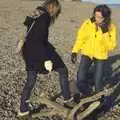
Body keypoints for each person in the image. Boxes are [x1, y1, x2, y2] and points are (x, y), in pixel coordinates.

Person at [18, 0, 72, 116]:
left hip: (28, 50)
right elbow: (38, 39)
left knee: (31, 80)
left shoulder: (36, 14)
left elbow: (30, 32)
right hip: (39, 50)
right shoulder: (45, 17)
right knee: (63, 70)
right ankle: (67, 99)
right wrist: (46, 59)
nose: (55, 15)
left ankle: (23, 110)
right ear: (53, 8)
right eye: (56, 12)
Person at [71, 5, 116, 101]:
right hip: (87, 53)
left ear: (106, 18)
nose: (97, 19)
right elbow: (80, 38)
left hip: (100, 56)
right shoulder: (88, 23)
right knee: (80, 76)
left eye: (100, 17)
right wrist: (75, 51)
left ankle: (99, 100)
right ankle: (85, 94)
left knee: (98, 79)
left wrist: (105, 33)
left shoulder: (111, 28)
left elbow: (111, 46)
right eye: (95, 16)